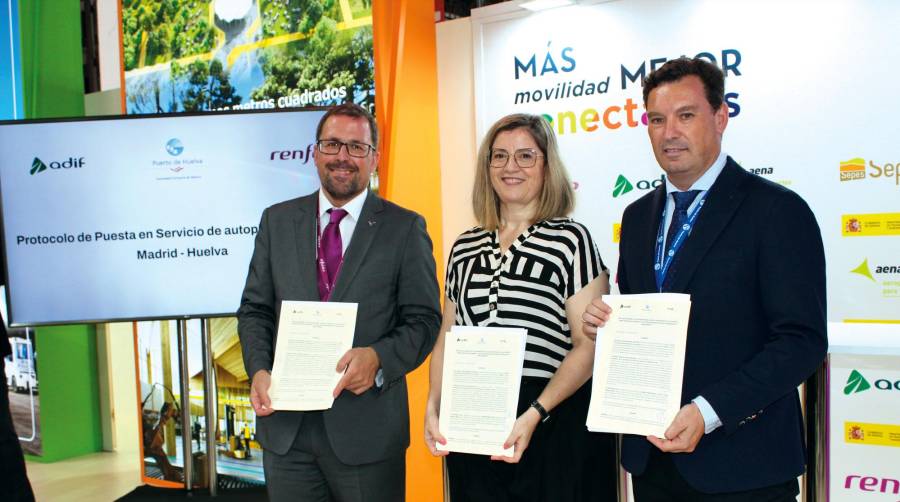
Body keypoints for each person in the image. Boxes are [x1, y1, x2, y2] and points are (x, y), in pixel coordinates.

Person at [583, 57, 827, 501]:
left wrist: (709, 411)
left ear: (720, 116)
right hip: (653, 464)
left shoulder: (775, 211)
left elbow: (800, 341)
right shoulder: (637, 218)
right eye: (657, 119)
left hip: (743, 468)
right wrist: (606, 326)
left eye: (686, 115)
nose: (669, 131)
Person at [237, 102, 441, 502]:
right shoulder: (276, 222)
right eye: (332, 145)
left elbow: (423, 320)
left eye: (356, 147)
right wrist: (259, 369)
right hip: (286, 431)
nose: (343, 157)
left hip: (367, 433)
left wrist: (379, 358)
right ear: (315, 153)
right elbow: (255, 311)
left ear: (375, 158)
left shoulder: (404, 228)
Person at [424, 113, 617, 501]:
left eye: (526, 156)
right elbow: (448, 335)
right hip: (473, 420)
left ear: (547, 166)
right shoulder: (465, 246)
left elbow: (589, 344)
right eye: (499, 156)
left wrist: (535, 413)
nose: (510, 167)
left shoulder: (570, 240)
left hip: (550, 424)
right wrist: (434, 405)